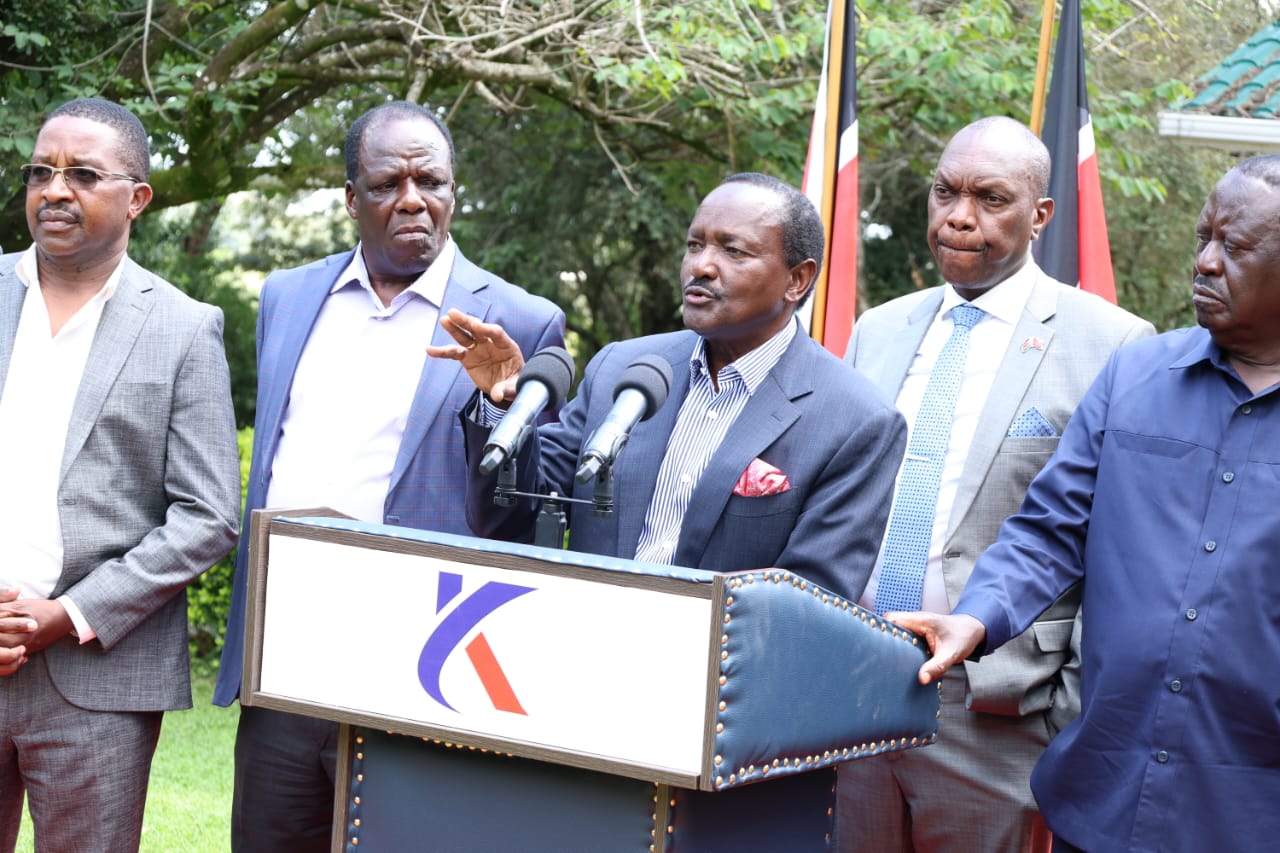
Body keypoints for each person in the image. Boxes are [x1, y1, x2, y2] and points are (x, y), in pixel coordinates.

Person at [890, 153, 1280, 853]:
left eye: (1236, 247)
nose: (1207, 263)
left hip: (1250, 803)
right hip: (1106, 794)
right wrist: (974, 619)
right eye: (1202, 238)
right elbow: (1049, 529)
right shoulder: (1135, 376)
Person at [214, 100, 565, 852]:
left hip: (426, 661)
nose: (413, 199)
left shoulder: (519, 319)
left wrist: (498, 403)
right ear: (351, 198)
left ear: (453, 190)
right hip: (287, 653)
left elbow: (529, 511)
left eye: (430, 180)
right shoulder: (288, 295)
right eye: (387, 183)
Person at [835, 116, 1153, 852]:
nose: (959, 216)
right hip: (853, 685)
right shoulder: (877, 330)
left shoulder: (1112, 343)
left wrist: (1061, 709)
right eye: (945, 192)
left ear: (1041, 214)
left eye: (990, 197)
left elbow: (1114, 546)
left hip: (997, 712)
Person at [430, 172, 906, 602]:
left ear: (797, 281)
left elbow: (808, 605)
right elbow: (514, 517)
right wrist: (504, 411)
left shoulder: (856, 422)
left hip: (717, 687)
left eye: (733, 251)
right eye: (695, 245)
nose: (700, 266)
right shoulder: (623, 368)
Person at [0, 98, 241, 852]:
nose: (55, 190)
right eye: (41, 171)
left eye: (82, 174)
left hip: (95, 679)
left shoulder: (182, 327)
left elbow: (208, 515)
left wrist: (67, 614)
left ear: (137, 197)